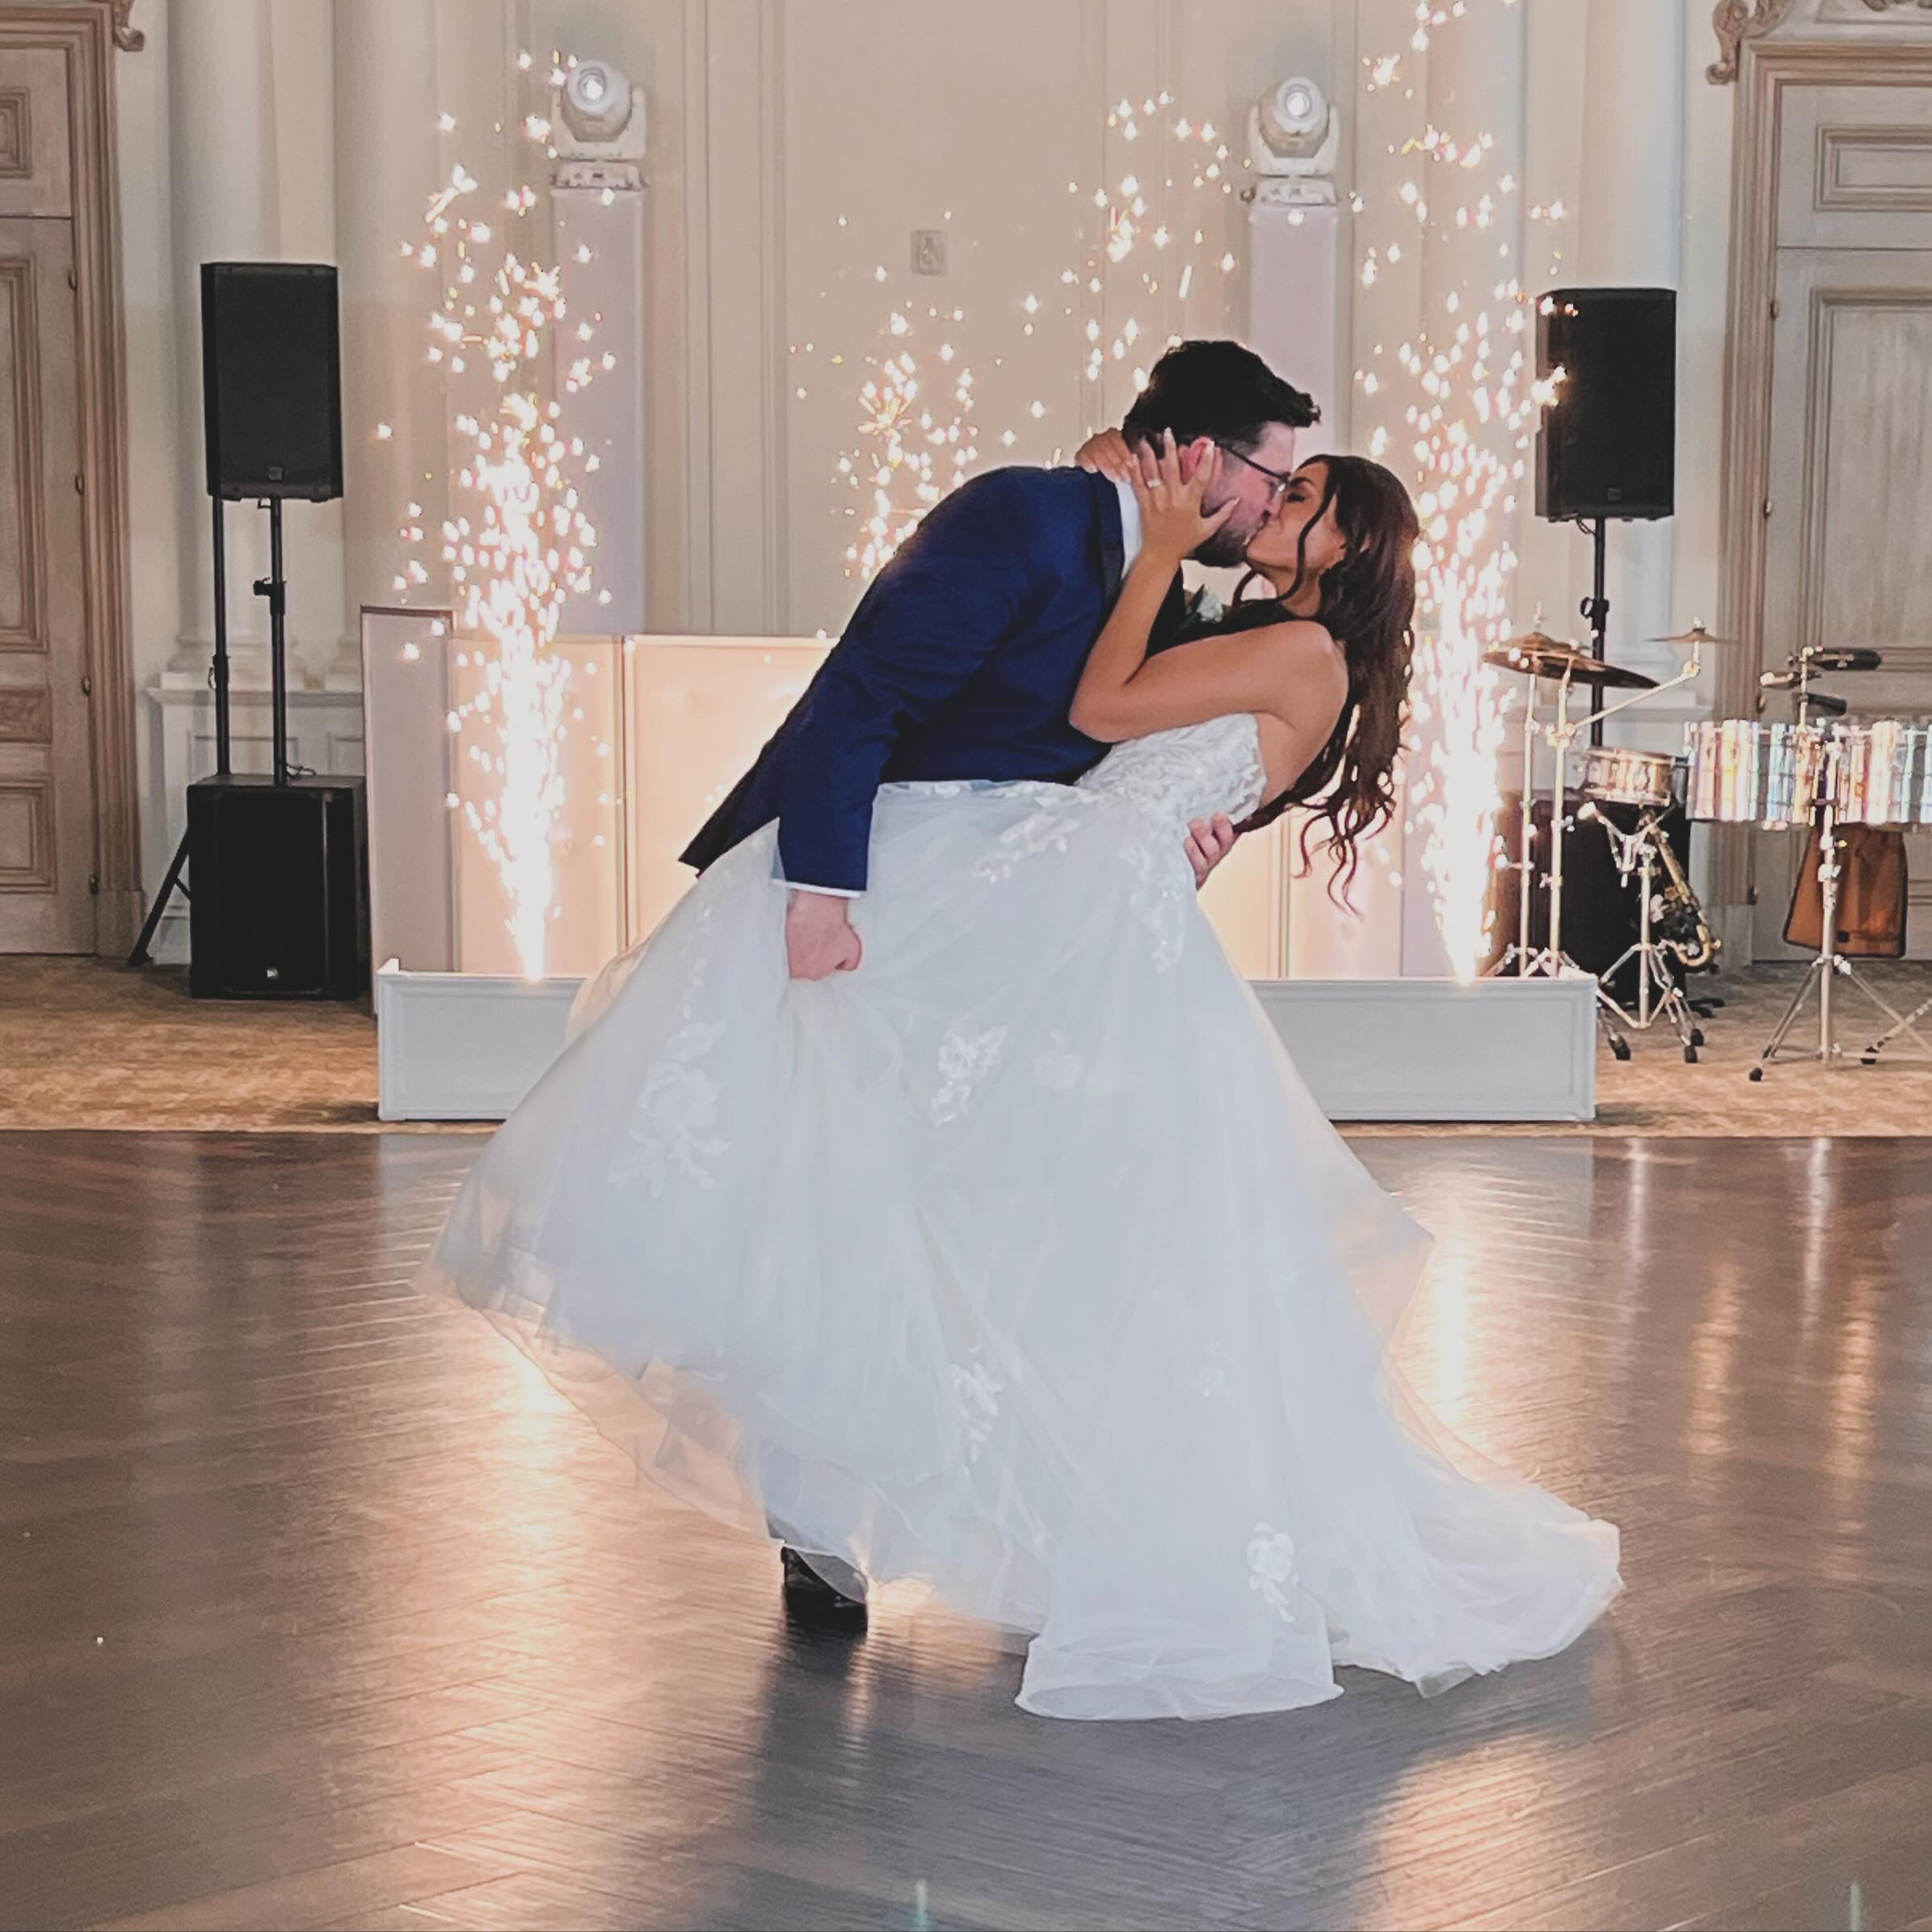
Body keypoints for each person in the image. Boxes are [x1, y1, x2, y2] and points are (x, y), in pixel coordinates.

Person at [424, 413, 1622, 1723]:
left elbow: (1101, 708)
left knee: (1014, 1217)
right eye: (1286, 483)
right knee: (927, 1185)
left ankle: (943, 1508)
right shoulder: (1244, 627)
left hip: (1085, 921)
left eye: (1312, 500)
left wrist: (1159, 557)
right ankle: (857, 1490)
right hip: (1057, 895)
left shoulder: (1298, 647)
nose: (1280, 504)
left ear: (1358, 548)